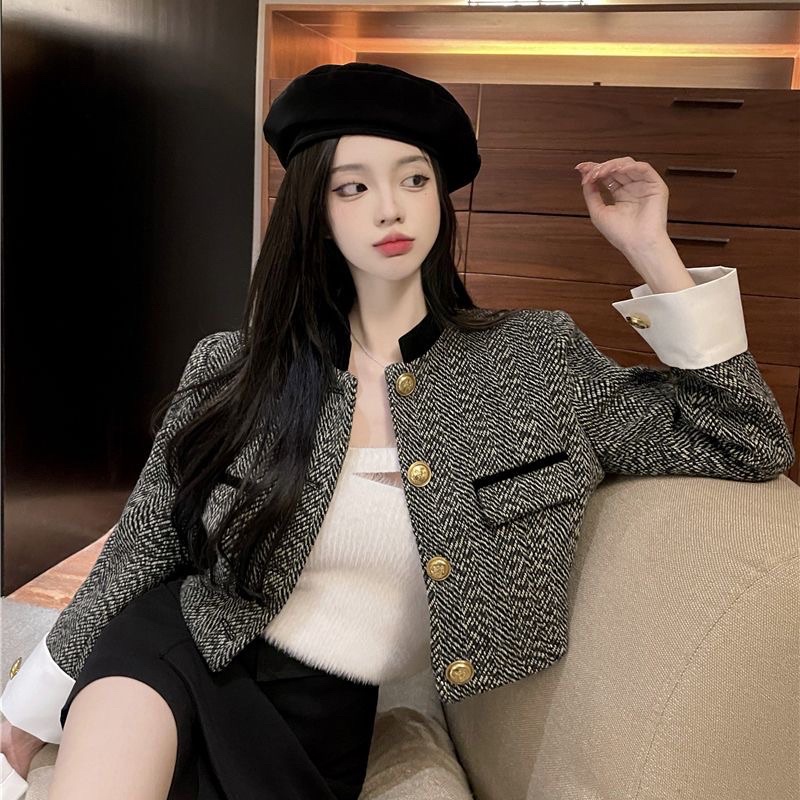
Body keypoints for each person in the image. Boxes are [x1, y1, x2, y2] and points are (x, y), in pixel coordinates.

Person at [0, 61, 794, 800]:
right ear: (316, 214)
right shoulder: (234, 365)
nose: (390, 207)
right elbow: (144, 544)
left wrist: (653, 252)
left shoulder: (534, 358)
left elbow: (746, 438)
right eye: (353, 187)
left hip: (327, 722)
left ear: (439, 200)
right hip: (181, 646)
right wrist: (29, 707)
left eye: (414, 179)